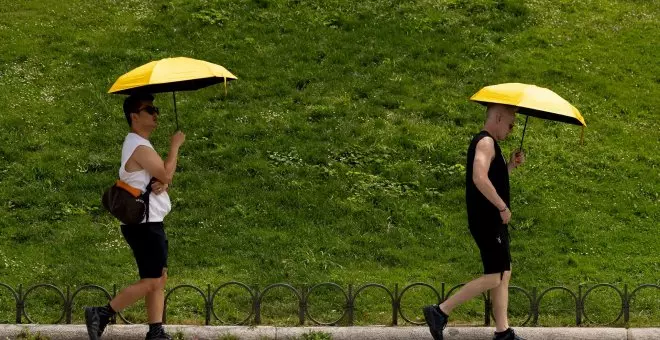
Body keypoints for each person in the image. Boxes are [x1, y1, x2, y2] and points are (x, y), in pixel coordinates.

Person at [85, 93, 185, 340]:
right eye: (149, 110)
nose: (155, 114)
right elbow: (167, 173)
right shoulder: (138, 146)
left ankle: (155, 330)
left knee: (157, 278)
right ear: (134, 116)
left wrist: (162, 183)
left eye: (156, 109)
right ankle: (102, 313)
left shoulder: (138, 144)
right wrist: (175, 147)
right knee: (153, 280)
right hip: (145, 225)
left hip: (147, 223)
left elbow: (158, 178)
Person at [423, 104, 526, 340]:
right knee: (495, 276)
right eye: (510, 124)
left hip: (492, 220)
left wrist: (509, 165)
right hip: (487, 219)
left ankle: (503, 332)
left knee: (504, 272)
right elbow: (479, 178)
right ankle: (440, 311)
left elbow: (492, 179)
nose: (511, 130)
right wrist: (502, 206)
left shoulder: (492, 145)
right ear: (498, 117)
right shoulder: (485, 142)